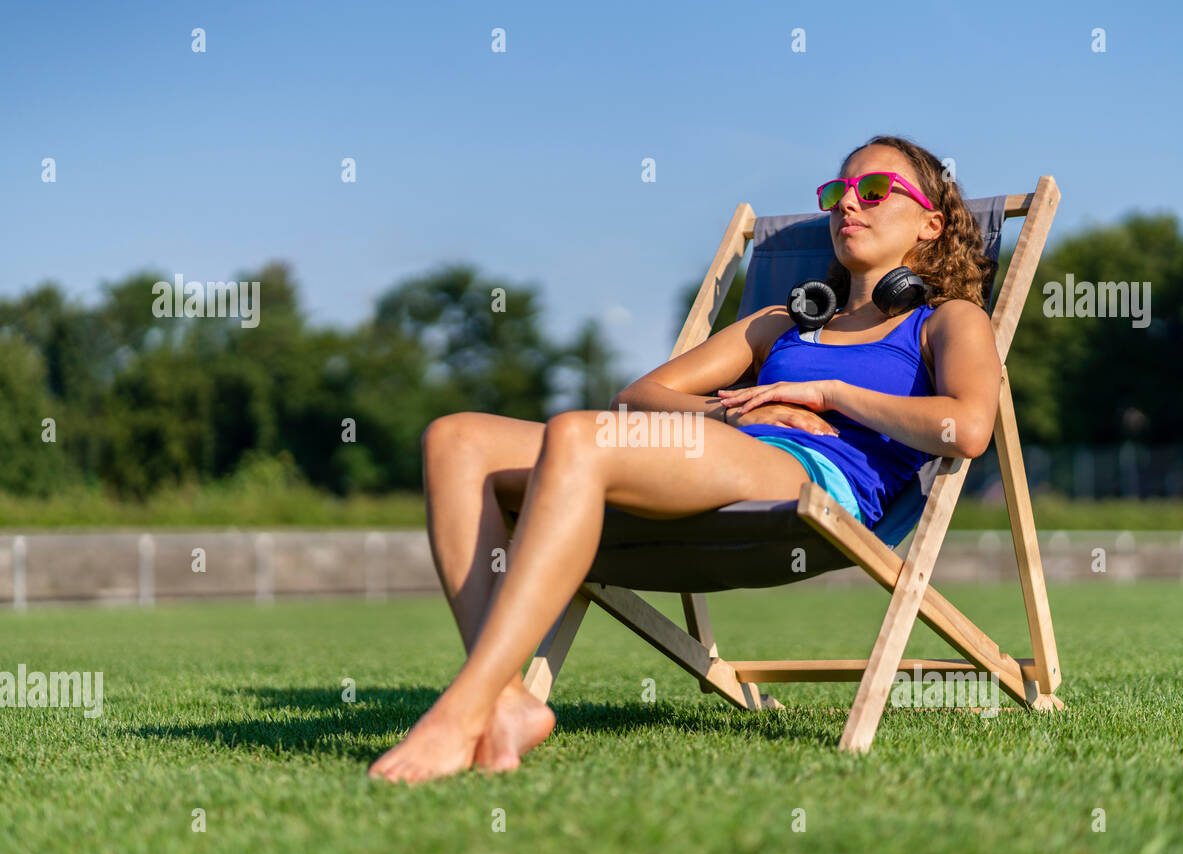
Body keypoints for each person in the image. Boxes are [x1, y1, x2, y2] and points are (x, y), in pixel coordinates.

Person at [368, 134, 1002, 783]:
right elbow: (638, 395)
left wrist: (828, 392)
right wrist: (732, 411)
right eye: (838, 192)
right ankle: (503, 701)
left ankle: (458, 712)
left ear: (931, 222)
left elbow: (971, 426)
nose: (848, 206)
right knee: (456, 438)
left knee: (578, 437)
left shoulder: (945, 321)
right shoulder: (783, 321)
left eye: (873, 191)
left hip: (811, 479)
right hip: (723, 450)